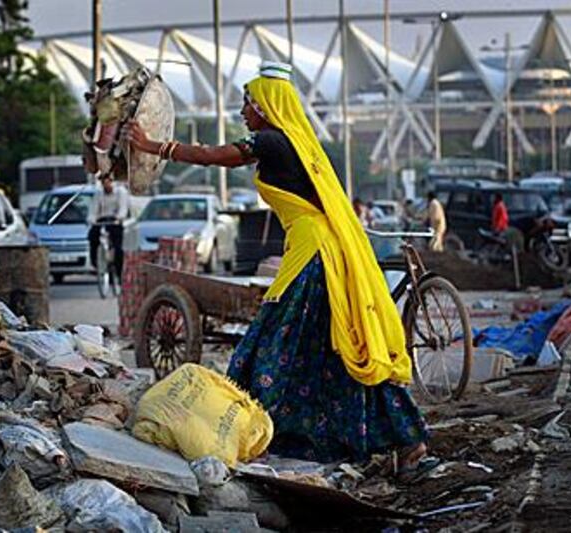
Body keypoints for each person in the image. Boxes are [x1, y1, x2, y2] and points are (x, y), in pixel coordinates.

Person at [123, 61, 429, 468]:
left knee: (270, 344)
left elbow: (214, 156)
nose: (242, 111)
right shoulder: (296, 143)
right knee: (339, 349)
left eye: (246, 102)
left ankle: (246, 433)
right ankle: (402, 441)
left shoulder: (270, 141)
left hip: (312, 255)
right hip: (317, 251)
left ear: (265, 107)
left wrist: (151, 146)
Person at [87, 173, 129, 278]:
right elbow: (93, 209)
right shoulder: (99, 194)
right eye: (103, 182)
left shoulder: (121, 192)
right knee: (92, 236)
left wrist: (119, 218)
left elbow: (123, 208)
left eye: (108, 182)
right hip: (102, 219)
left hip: (115, 220)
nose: (106, 185)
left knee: (118, 246)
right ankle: (95, 263)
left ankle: (119, 273)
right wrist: (91, 219)